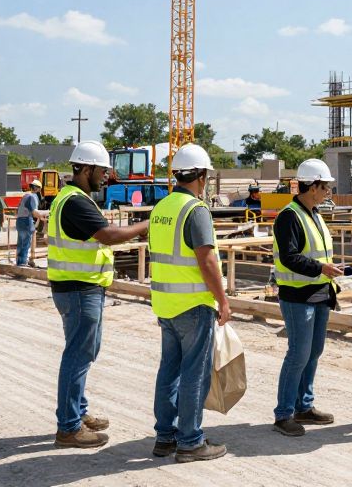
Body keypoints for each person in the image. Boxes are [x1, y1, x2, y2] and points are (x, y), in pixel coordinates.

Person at [48, 140, 149, 449]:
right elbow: (108, 235)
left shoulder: (71, 198)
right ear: (87, 169)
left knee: (83, 353)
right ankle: (69, 427)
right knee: (78, 356)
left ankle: (77, 412)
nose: (107, 176)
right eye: (103, 171)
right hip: (79, 288)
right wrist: (145, 225)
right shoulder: (75, 202)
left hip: (79, 287)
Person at [149, 143, 230, 463]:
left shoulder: (161, 208)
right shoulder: (195, 210)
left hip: (165, 304)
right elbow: (207, 261)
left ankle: (165, 436)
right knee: (194, 374)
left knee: (169, 371)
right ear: (200, 176)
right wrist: (222, 300)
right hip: (193, 305)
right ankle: (190, 441)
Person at [271, 159, 343, 437]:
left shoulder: (314, 214)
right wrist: (320, 268)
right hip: (298, 296)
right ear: (313, 187)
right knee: (298, 354)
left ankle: (304, 406)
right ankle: (284, 414)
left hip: (320, 293)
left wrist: (327, 271)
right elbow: (289, 257)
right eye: (325, 187)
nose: (328, 192)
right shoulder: (289, 216)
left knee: (313, 352)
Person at [16, 179, 46, 266]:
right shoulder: (32, 197)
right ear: (38, 188)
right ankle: (23, 263)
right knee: (25, 244)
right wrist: (46, 213)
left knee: (21, 243)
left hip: (20, 221)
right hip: (26, 221)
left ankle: (19, 263)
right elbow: (34, 212)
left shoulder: (25, 195)